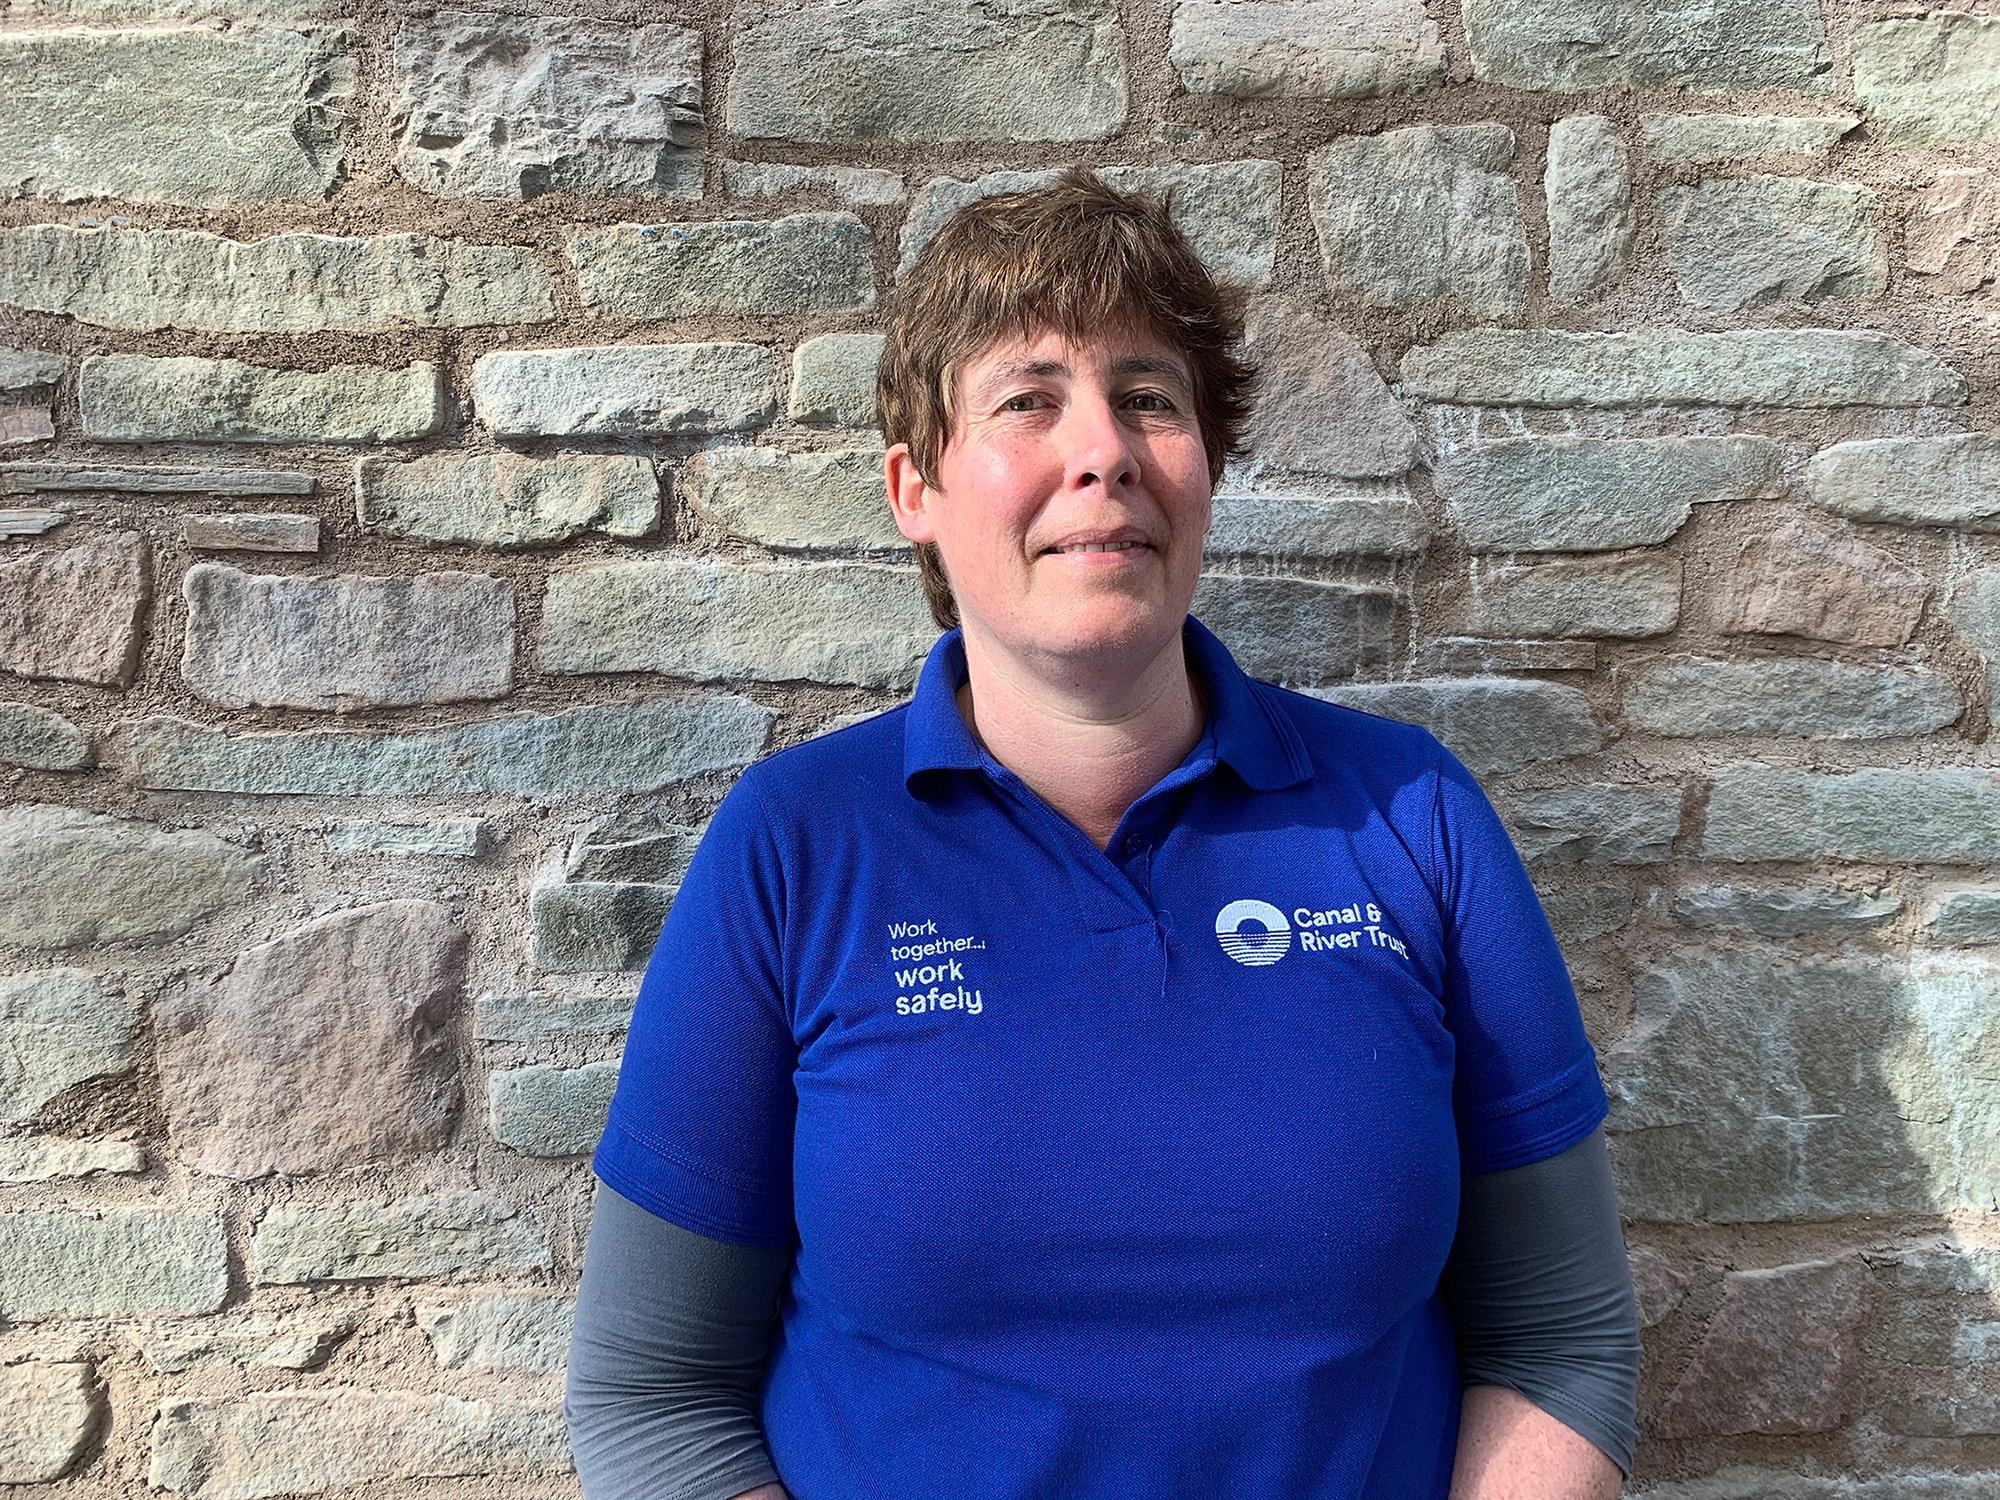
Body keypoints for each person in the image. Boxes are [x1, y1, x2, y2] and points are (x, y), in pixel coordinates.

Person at [566, 169, 1642, 1500]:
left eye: (1149, 398)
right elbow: (649, 1397)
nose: (1107, 451)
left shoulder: (1409, 820)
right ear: (916, 487)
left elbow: (1562, 1341)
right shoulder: (795, 849)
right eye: (1030, 399)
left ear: (1203, 465)